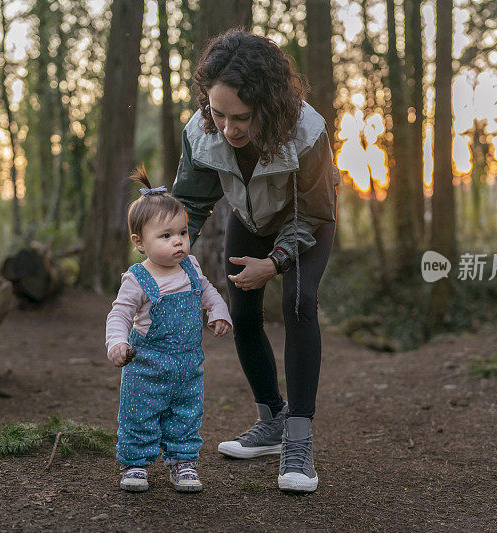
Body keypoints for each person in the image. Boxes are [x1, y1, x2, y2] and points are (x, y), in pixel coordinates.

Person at [172, 29, 338, 493]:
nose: (229, 128)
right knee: (241, 311)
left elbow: (317, 211)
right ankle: (271, 421)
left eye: (241, 117)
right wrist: (164, 255)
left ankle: (299, 442)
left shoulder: (308, 130)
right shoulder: (199, 132)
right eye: (218, 113)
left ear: (269, 102)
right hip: (248, 218)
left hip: (306, 220)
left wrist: (277, 261)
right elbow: (191, 204)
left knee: (299, 303)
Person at [105, 166, 232, 493]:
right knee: (139, 414)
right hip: (146, 365)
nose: (178, 242)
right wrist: (117, 342)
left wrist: (218, 310)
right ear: (140, 243)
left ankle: (182, 461)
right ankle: (135, 463)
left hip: (188, 364)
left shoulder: (190, 267)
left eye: (182, 233)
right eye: (165, 236)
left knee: (187, 413)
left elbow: (207, 291)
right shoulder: (137, 279)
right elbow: (119, 314)